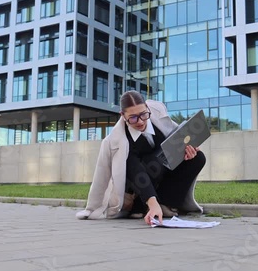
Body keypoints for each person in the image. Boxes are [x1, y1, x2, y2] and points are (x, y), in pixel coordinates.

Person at [76, 90, 206, 225]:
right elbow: (133, 172)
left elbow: (176, 135)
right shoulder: (117, 140)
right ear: (123, 115)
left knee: (197, 158)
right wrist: (91, 208)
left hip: (162, 170)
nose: (140, 122)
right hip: (135, 186)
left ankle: (165, 203)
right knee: (153, 163)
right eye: (132, 118)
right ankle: (141, 205)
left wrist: (190, 149)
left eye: (143, 114)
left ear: (147, 108)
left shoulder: (157, 115)